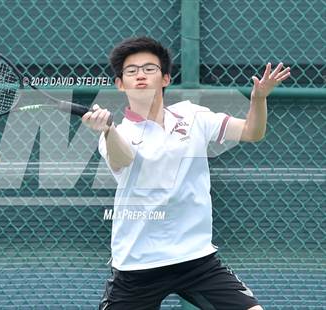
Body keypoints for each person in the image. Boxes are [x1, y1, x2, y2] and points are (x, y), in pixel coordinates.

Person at [82, 37, 290, 310]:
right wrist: (108, 130)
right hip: (138, 265)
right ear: (120, 84)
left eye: (149, 69)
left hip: (197, 259)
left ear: (166, 78)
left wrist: (259, 98)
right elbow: (123, 160)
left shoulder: (192, 116)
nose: (140, 75)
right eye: (131, 71)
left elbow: (252, 132)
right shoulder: (117, 133)